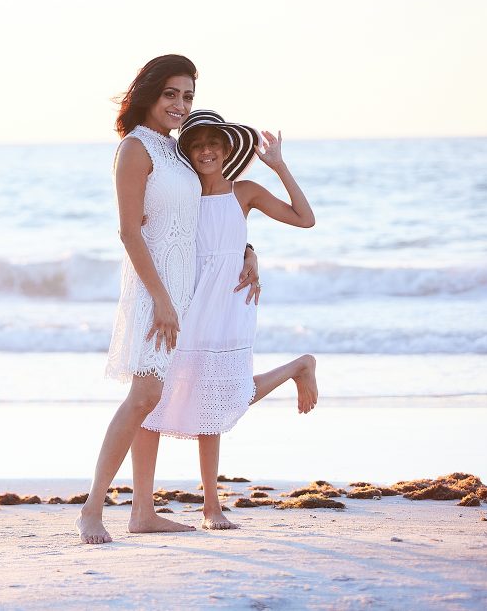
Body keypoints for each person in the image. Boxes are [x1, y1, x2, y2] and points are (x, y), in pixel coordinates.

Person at [76, 57, 262, 545]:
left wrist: (247, 250)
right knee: (144, 396)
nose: (180, 105)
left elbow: (208, 211)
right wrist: (159, 299)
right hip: (154, 290)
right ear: (150, 94)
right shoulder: (136, 148)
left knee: (152, 401)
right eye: (171, 95)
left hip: (186, 290)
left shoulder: (175, 151)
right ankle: (92, 510)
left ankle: (142, 512)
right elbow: (128, 230)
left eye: (187, 96)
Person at [141, 109, 318, 531]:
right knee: (155, 399)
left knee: (220, 397)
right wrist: (248, 250)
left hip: (229, 303)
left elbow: (304, 218)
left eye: (214, 144)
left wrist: (278, 166)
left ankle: (211, 506)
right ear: (186, 151)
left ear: (226, 149)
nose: (206, 151)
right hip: (183, 304)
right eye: (197, 144)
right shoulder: (178, 195)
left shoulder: (246, 192)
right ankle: (297, 366)